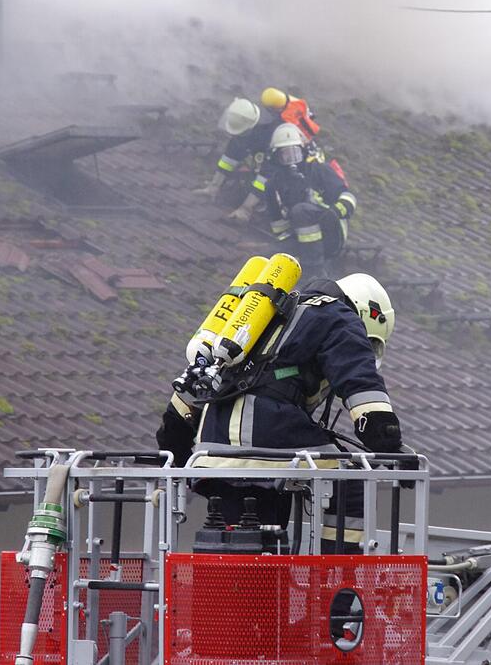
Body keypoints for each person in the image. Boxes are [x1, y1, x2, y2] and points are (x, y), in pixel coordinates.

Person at [156, 272, 400, 551]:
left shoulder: (272, 316)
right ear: (364, 314)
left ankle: (255, 583)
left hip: (212, 453)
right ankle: (336, 579)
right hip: (267, 442)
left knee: (248, 546)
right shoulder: (338, 316)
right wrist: (390, 443)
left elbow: (179, 411)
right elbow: (361, 384)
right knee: (352, 479)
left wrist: (180, 465)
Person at [228, 123, 355, 277]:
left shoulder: (319, 169)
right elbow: (280, 229)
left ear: (303, 151)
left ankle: (314, 271)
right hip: (303, 239)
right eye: (285, 155)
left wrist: (334, 212)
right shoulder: (272, 187)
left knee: (300, 211)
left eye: (295, 154)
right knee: (271, 258)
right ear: (276, 157)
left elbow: (348, 197)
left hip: (332, 233)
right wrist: (286, 247)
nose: (292, 161)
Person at [196, 97, 279, 199]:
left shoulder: (271, 135)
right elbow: (229, 158)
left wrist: (246, 208)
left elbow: (265, 176)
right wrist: (213, 186)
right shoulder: (245, 119)